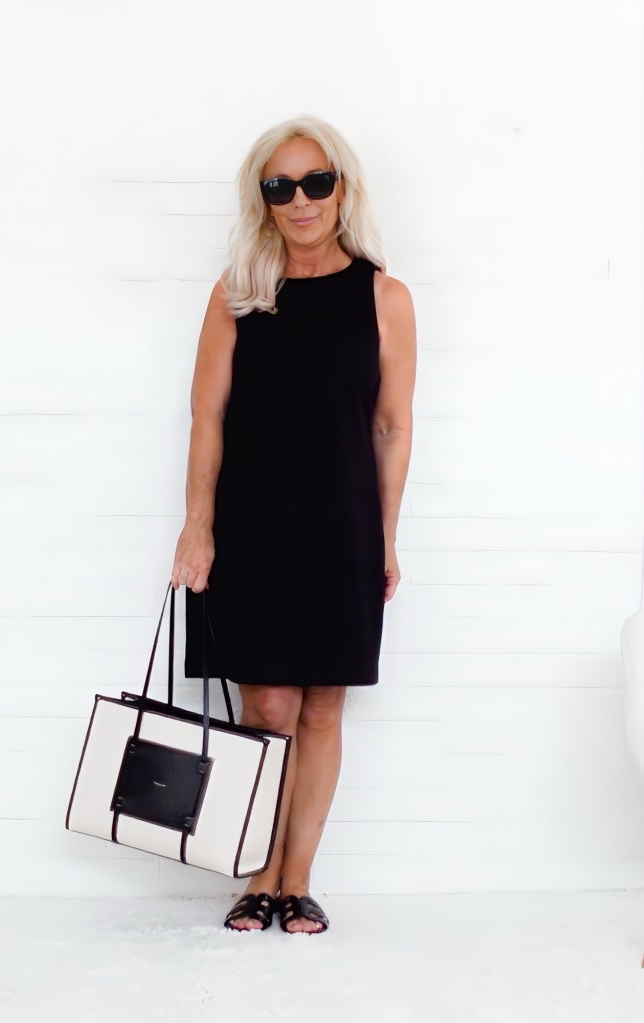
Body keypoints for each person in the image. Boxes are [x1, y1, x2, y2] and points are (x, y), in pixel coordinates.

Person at [171, 115, 416, 935]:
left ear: (342, 188)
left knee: (320, 711)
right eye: (282, 186)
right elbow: (207, 414)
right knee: (267, 705)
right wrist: (196, 526)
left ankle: (297, 879)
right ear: (264, 199)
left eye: (317, 182)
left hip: (342, 526)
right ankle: (258, 874)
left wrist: (385, 537)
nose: (301, 200)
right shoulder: (238, 289)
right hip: (255, 525)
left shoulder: (385, 297)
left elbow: (390, 426)